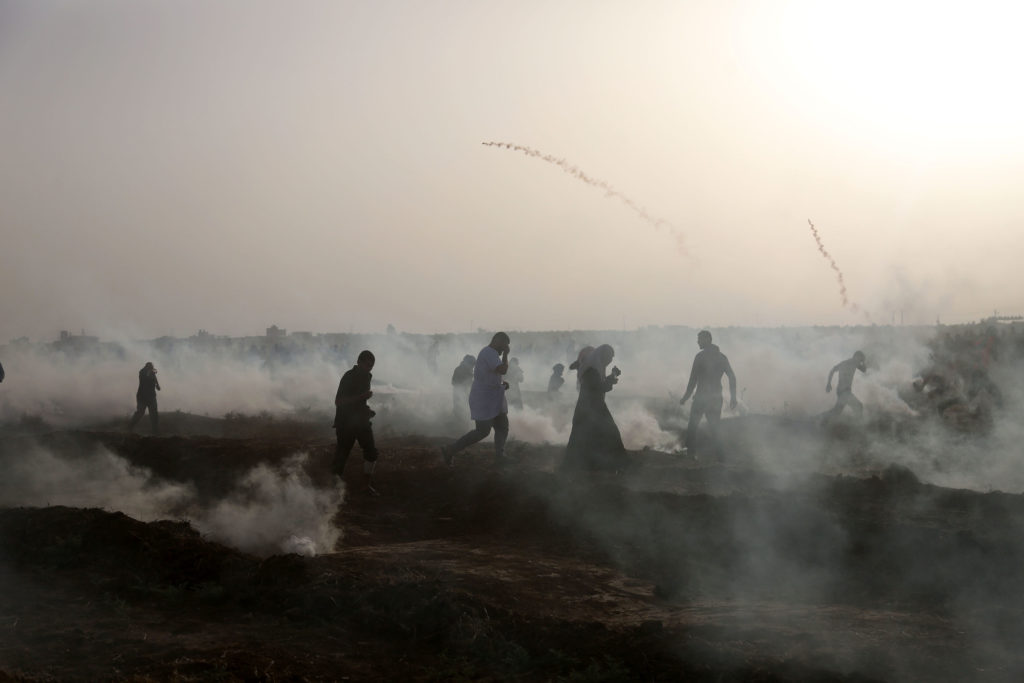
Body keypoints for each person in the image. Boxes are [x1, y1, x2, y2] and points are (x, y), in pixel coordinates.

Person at [441, 332, 511, 467]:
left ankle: (500, 457)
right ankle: (450, 450)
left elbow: (492, 374)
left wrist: (501, 383)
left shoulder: (491, 354)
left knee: (502, 426)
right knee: (483, 431)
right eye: (504, 347)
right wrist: (507, 355)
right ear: (497, 341)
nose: (504, 350)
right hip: (484, 399)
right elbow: (502, 369)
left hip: (491, 397)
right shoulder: (489, 352)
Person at [563, 344, 625, 471]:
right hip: (590, 408)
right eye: (609, 357)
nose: (610, 360)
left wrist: (611, 377)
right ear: (602, 356)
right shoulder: (591, 370)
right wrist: (611, 379)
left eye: (612, 358)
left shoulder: (595, 368)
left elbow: (600, 385)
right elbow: (599, 387)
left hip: (593, 406)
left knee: (592, 437)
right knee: (607, 433)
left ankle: (595, 466)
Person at [679, 330, 737, 459]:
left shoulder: (700, 357)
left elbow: (692, 381)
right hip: (716, 398)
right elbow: (732, 377)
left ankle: (690, 454)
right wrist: (733, 397)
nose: (698, 342)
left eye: (700, 339)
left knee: (693, 426)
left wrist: (684, 398)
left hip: (701, 398)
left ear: (708, 340)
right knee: (715, 428)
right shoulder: (722, 357)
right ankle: (721, 457)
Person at [334, 349, 380, 494]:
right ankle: (333, 487)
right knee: (342, 455)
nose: (369, 368)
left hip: (361, 422)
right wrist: (362, 397)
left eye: (371, 366)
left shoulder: (367, 377)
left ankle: (366, 485)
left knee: (371, 452)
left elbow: (358, 403)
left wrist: (367, 410)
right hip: (345, 423)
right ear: (359, 362)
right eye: (367, 365)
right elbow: (339, 402)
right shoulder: (349, 377)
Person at [823, 350, 866, 423]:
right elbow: (832, 370)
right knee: (859, 406)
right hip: (843, 391)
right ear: (855, 357)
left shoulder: (855, 364)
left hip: (846, 391)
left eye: (861, 360)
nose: (860, 361)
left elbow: (864, 370)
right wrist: (828, 383)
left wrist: (863, 362)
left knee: (836, 412)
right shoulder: (845, 363)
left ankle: (820, 420)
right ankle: (858, 425)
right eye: (860, 359)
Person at [128, 362, 161, 435]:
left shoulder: (152, 372)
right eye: (149, 367)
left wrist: (157, 385)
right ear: (146, 367)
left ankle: (155, 431)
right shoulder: (142, 372)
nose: (151, 369)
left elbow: (155, 378)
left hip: (151, 396)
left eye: (151, 367)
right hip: (142, 396)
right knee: (140, 412)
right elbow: (146, 378)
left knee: (154, 414)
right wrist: (150, 372)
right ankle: (130, 427)